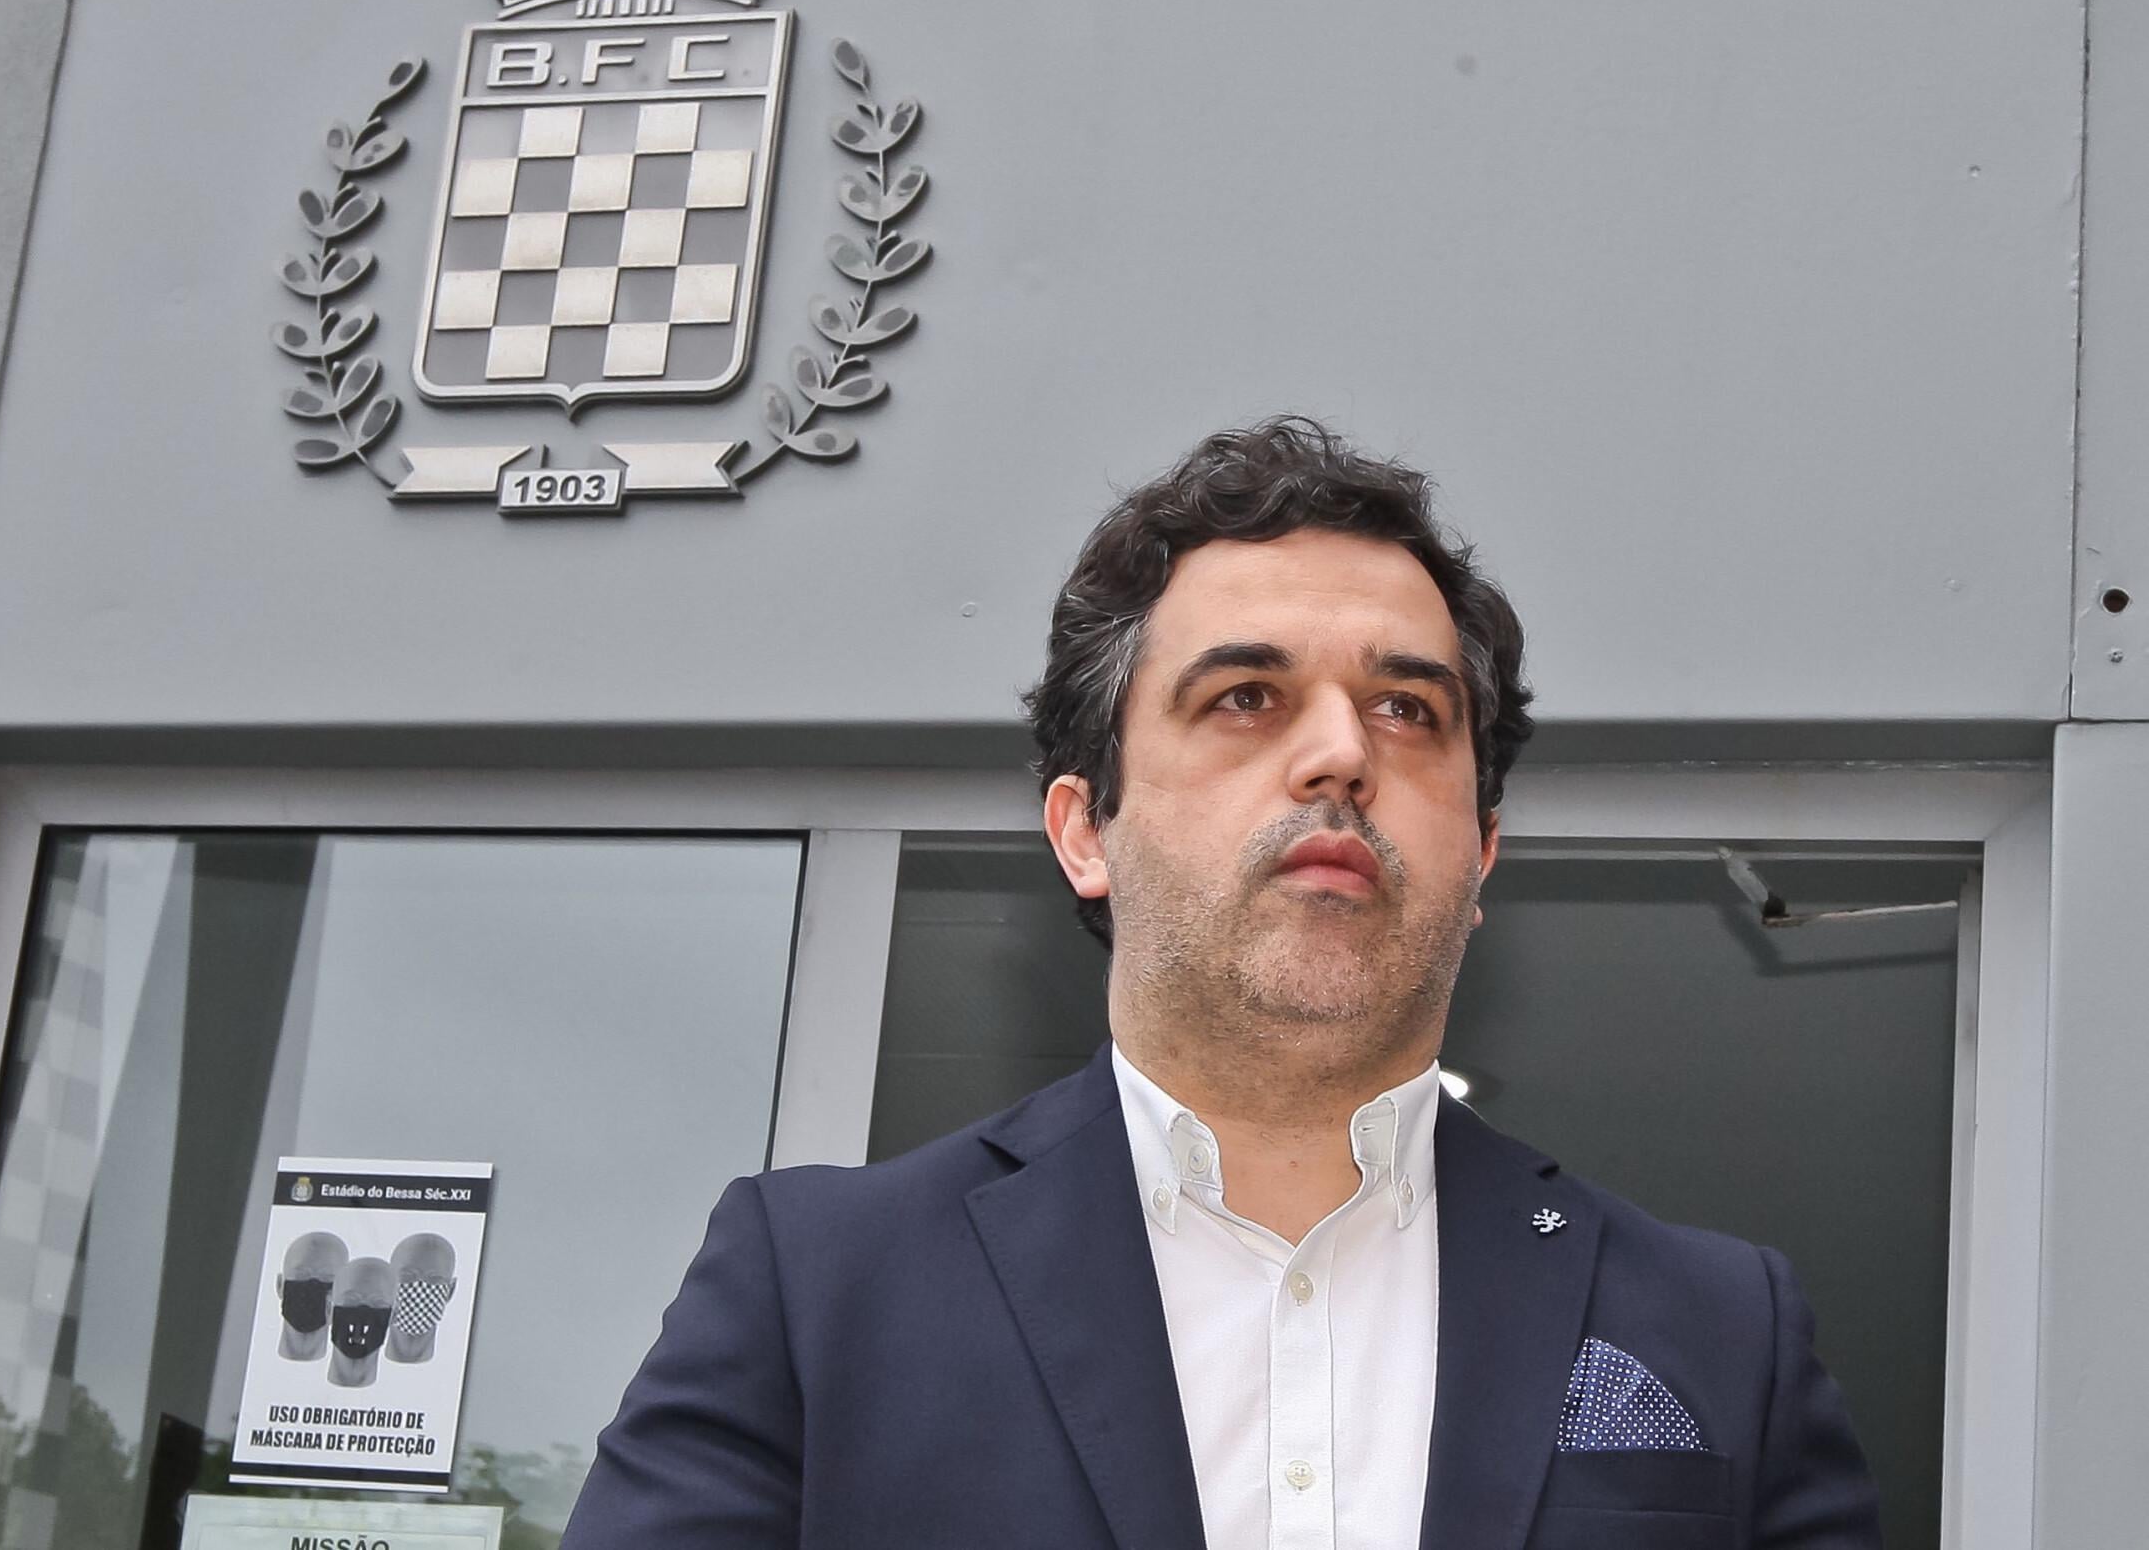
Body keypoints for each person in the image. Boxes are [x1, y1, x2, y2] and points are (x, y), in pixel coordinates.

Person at [562, 419, 1882, 1549]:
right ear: (1087, 830)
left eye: (1408, 709)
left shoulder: (1721, 1328)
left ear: (1481, 853)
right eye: (1247, 695)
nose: (1340, 753)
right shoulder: (815, 1291)